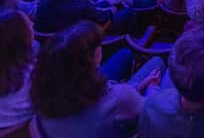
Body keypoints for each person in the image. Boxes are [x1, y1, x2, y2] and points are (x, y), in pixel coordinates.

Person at [31, 21, 164, 138]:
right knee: (157, 62)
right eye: (98, 45)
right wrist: (152, 87)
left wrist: (138, 86)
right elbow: (153, 113)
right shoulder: (119, 97)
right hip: (128, 110)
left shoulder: (41, 98)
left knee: (125, 54)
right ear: (90, 59)